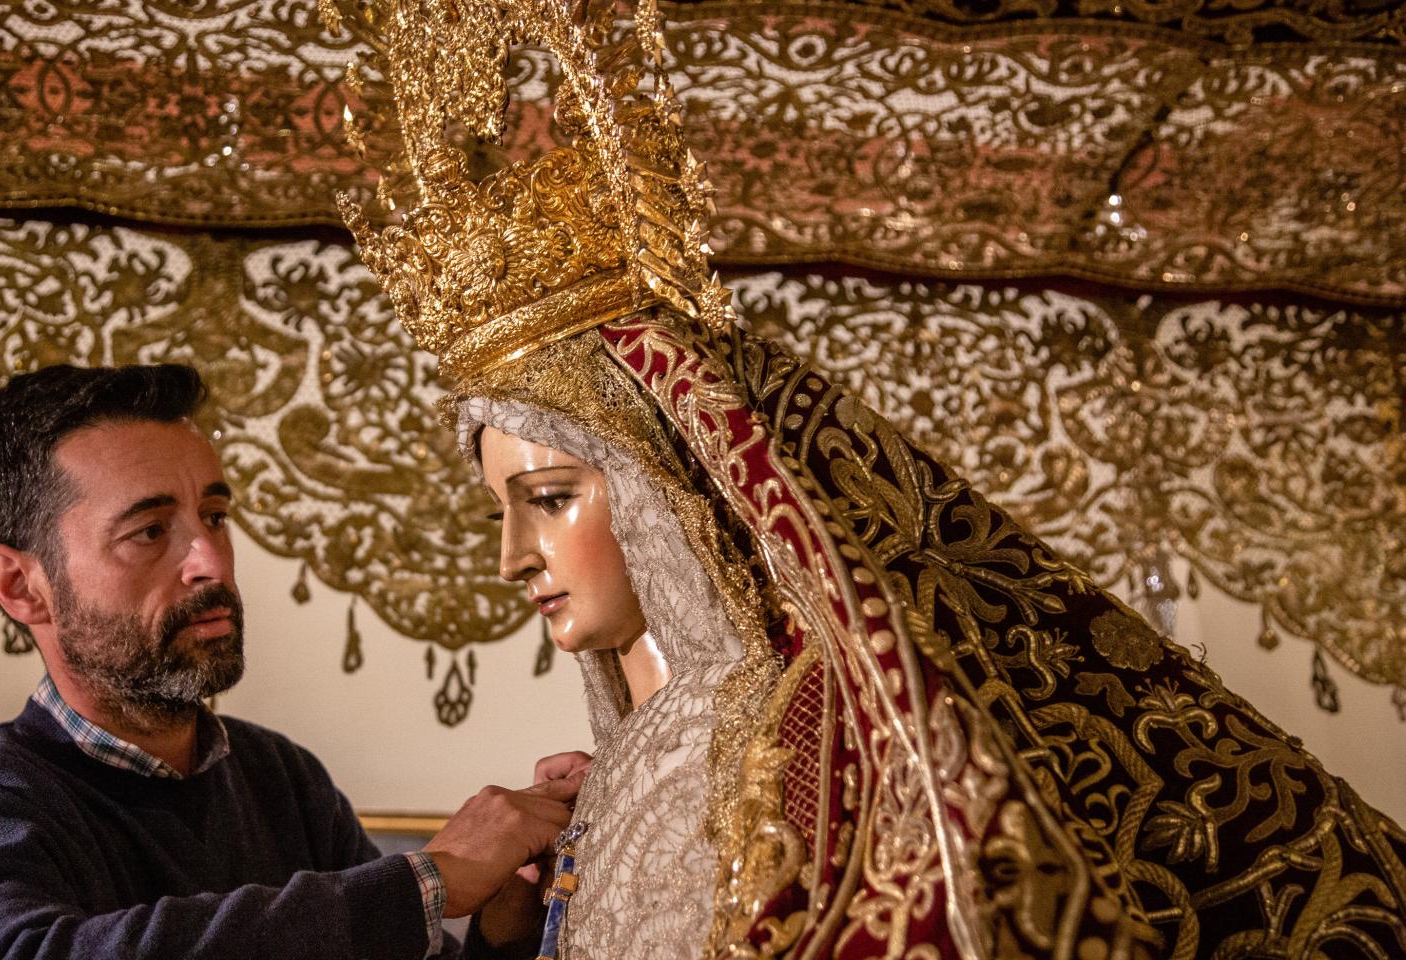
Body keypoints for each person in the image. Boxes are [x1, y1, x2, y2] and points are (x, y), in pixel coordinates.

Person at [332, 0, 1406, 956]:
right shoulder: (606, 771)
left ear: (663, 491)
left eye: (552, 497)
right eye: (501, 513)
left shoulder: (811, 741)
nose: (516, 557)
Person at [0, 363, 565, 959]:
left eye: (214, 516)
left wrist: (505, 924)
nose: (209, 562)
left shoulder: (282, 780)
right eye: (149, 531)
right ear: (22, 586)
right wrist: (427, 882)